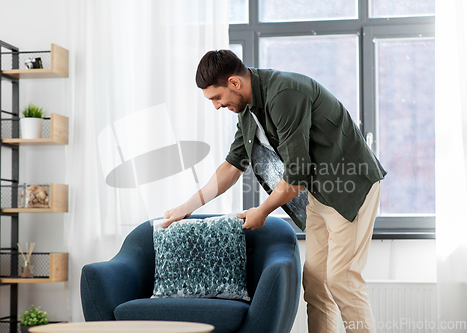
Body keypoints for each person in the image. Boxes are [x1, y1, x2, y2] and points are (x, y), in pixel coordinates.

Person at [163, 49, 386, 333]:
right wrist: (187, 207)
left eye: (216, 97)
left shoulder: (284, 94)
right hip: (319, 193)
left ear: (234, 83)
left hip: (351, 188)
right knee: (316, 283)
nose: (216, 106)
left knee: (341, 279)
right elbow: (232, 166)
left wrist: (262, 211)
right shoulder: (245, 110)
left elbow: (295, 175)